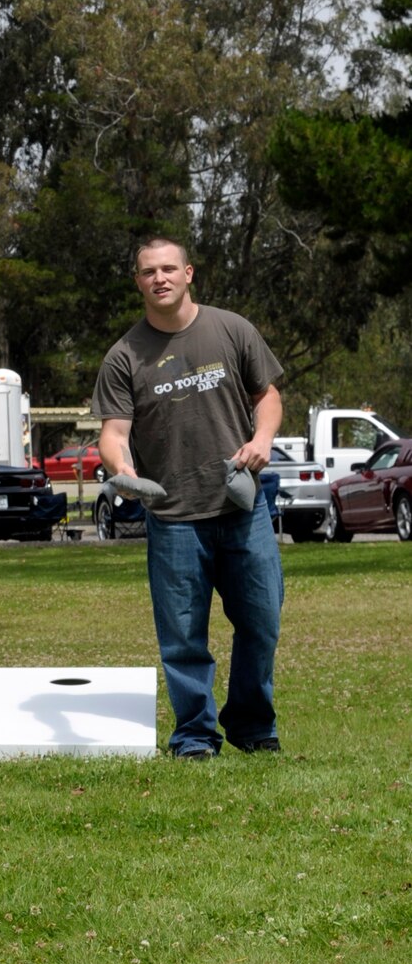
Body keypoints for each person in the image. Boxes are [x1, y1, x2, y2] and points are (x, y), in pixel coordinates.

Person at [92, 236, 285, 759]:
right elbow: (113, 433)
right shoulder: (124, 356)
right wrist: (121, 467)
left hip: (242, 508)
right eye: (149, 271)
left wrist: (262, 439)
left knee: (262, 621)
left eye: (169, 269)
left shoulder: (231, 329)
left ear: (189, 273)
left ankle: (251, 723)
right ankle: (196, 735)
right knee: (183, 639)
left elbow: (267, 395)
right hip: (173, 517)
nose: (160, 278)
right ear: (138, 281)